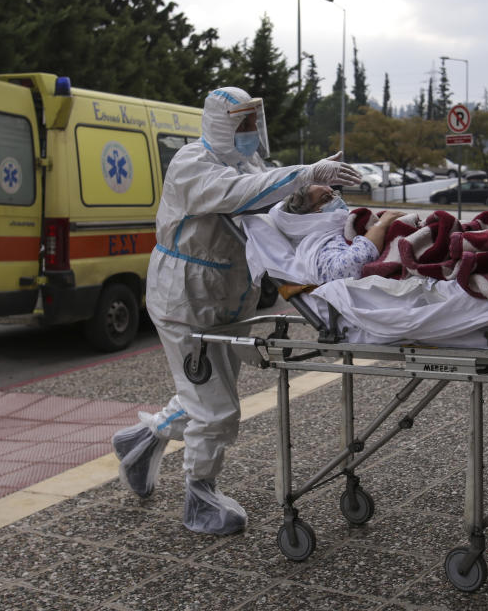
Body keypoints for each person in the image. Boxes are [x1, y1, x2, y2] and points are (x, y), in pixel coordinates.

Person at [110, 86, 361, 535]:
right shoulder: (192, 165)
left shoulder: (248, 164)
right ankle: (199, 497)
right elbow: (239, 194)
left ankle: (140, 442)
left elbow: (268, 206)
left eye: (252, 122)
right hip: (184, 298)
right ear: (218, 123)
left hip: (224, 297)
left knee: (206, 390)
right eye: (240, 123)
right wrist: (304, 172)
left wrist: (306, 198)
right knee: (216, 407)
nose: (248, 132)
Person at [277, 184, 406, 284]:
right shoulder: (317, 245)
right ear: (310, 214)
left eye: (334, 193)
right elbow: (346, 269)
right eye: (326, 198)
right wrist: (381, 225)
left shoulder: (343, 227)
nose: (336, 199)